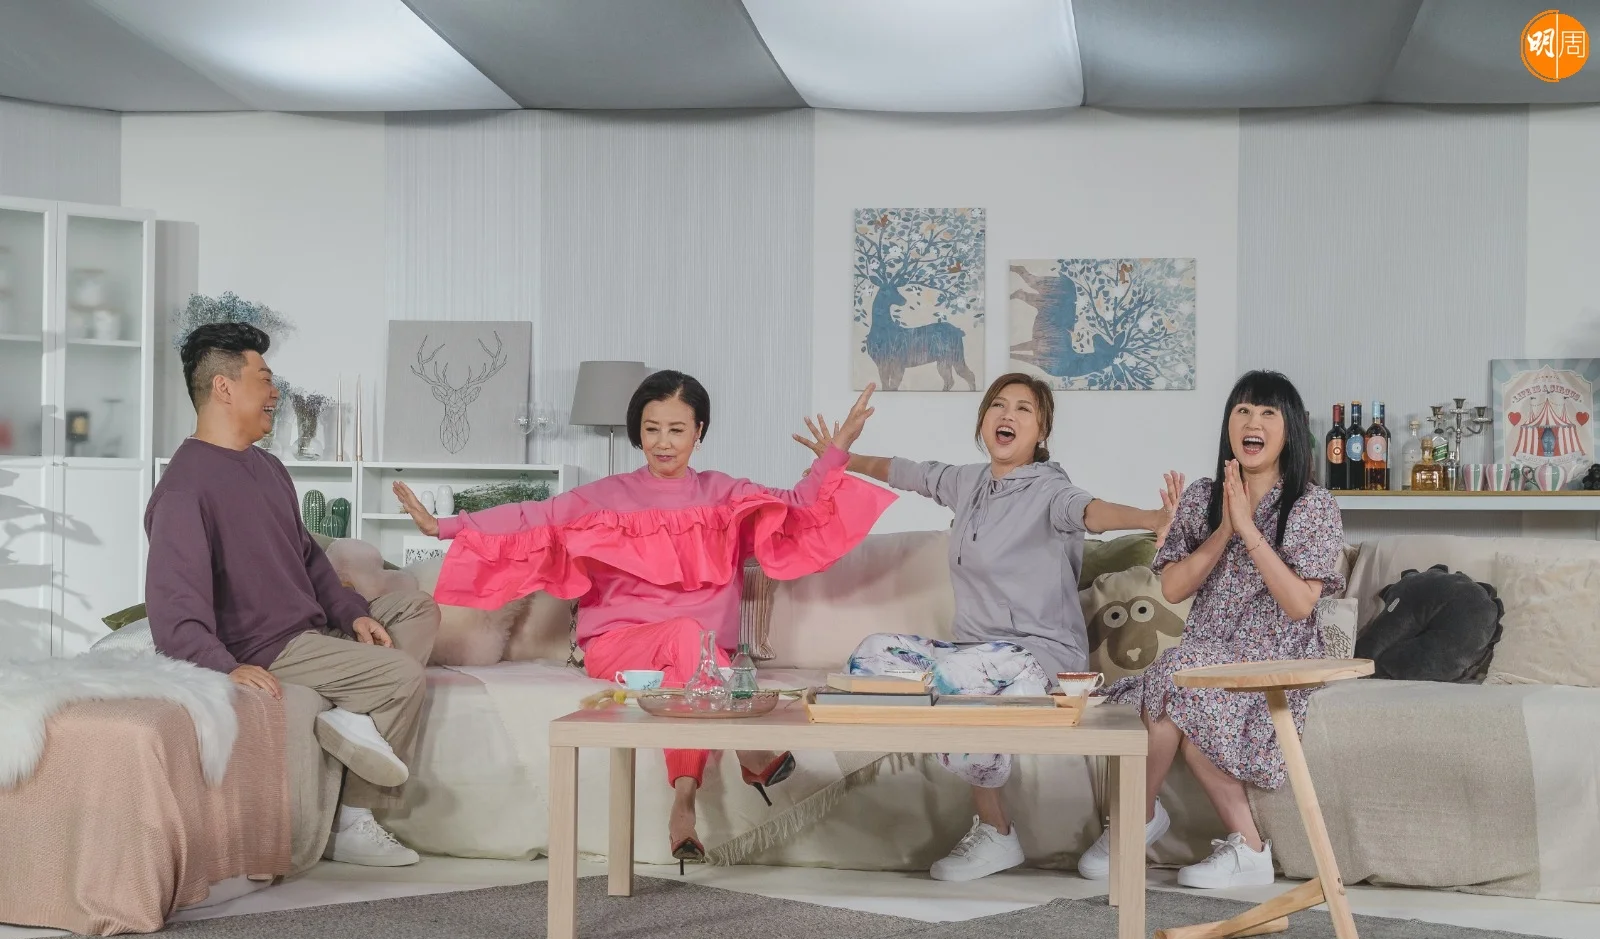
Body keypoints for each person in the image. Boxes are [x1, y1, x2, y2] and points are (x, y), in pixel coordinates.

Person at [396, 370, 894, 871]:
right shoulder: (605, 496)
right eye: (652, 428)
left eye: (676, 429)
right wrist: (444, 525)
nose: (663, 442)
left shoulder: (725, 494)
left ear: (699, 431)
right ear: (638, 430)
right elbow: (532, 518)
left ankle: (684, 804)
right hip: (620, 647)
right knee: (692, 642)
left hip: (703, 660)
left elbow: (799, 508)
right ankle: (749, 750)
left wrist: (839, 449)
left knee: (697, 662)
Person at [795, 372, 1181, 882]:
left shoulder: (1050, 489)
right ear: (983, 421)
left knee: (959, 686)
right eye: (998, 405)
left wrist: (1152, 517)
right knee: (872, 654)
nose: (1007, 415)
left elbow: (1091, 513)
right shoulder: (969, 482)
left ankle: (996, 816)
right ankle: (998, 834)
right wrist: (841, 456)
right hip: (972, 658)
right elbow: (906, 471)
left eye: (1024, 409)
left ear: (1041, 432)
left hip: (1038, 659)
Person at [145, 322, 441, 867]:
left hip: (308, 628)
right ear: (224, 387)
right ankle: (353, 820)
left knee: (417, 608)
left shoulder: (268, 467)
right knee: (401, 674)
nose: (276, 392)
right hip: (267, 646)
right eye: (264, 378)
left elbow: (306, 556)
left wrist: (351, 614)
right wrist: (223, 666)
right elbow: (172, 608)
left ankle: (357, 719)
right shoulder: (185, 489)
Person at [1087, 370, 1344, 889]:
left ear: (1290, 430)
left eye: (1268, 413)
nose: (1252, 422)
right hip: (1208, 650)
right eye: (1242, 411)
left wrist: (1249, 529)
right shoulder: (1204, 496)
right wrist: (1225, 527)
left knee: (1174, 678)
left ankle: (1135, 820)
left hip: (1275, 656)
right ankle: (1242, 849)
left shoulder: (1311, 505)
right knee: (1182, 688)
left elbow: (1299, 604)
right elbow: (1173, 588)